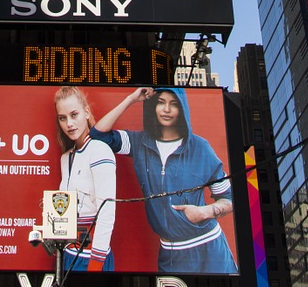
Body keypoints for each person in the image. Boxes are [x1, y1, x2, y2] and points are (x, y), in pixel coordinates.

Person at [92, 86, 237, 274]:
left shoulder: (200, 147)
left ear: (182, 109)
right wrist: (131, 99)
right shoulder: (139, 143)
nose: (166, 109)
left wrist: (204, 212)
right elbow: (98, 136)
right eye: (161, 103)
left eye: (174, 104)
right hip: (170, 255)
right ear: (153, 106)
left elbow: (231, 198)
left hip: (208, 250)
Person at [53, 86, 116, 272]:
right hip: (67, 255)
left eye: (74, 115)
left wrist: (96, 263)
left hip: (93, 256)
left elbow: (107, 211)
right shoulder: (65, 158)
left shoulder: (99, 150)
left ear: (86, 112)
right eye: (62, 118)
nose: (69, 124)